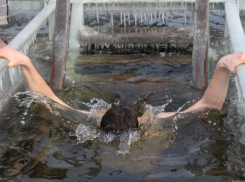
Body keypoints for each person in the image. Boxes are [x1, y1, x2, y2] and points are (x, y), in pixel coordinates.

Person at [0, 45, 244, 132]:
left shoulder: (150, 122)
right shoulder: (153, 124)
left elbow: (49, 99)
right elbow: (208, 105)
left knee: (56, 107)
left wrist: (26, 63)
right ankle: (224, 62)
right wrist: (222, 66)